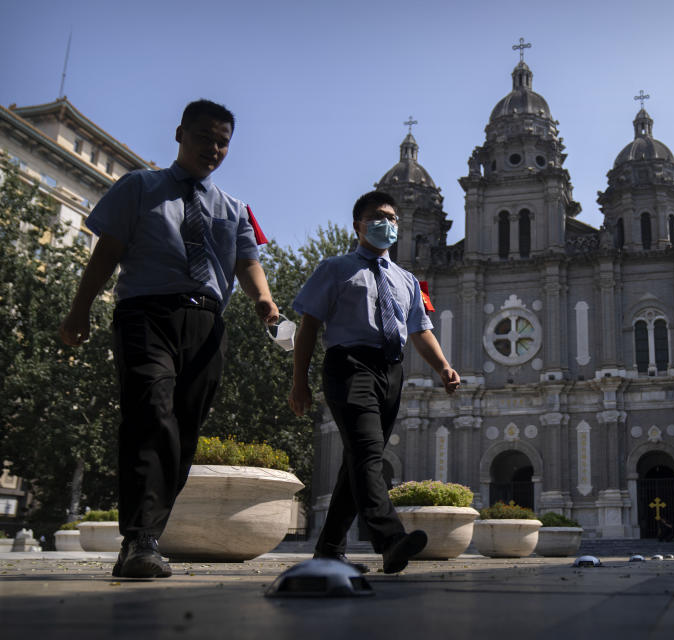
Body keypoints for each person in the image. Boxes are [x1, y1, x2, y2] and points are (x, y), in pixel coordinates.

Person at [59, 99, 279, 578]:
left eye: (223, 141)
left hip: (205, 325)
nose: (214, 148)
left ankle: (150, 535)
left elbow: (247, 261)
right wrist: (79, 310)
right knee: (150, 412)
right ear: (180, 134)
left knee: (181, 429)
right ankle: (138, 539)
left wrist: (263, 299)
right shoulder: (139, 187)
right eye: (204, 137)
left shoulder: (234, 207)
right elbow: (107, 251)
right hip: (146, 314)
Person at [288, 190, 460, 574]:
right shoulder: (334, 268)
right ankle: (390, 539)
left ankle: (329, 549)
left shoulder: (408, 280)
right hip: (349, 365)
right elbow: (309, 326)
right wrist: (299, 382)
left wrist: (444, 367)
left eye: (392, 218)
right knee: (368, 453)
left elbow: (421, 330)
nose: (387, 223)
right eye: (378, 216)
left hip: (391, 372)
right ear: (358, 225)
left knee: (356, 463)